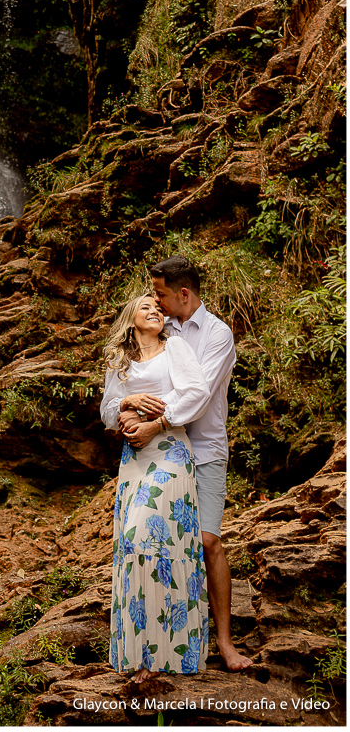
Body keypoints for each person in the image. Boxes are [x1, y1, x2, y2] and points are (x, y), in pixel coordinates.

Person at [119, 255, 253, 673]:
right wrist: (125, 410)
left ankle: (225, 643)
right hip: (158, 455)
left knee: (208, 540)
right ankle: (164, 644)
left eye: (159, 294)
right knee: (160, 543)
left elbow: (200, 396)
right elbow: (129, 382)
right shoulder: (159, 328)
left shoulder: (217, 335)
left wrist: (153, 422)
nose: (155, 302)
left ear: (182, 293)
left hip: (205, 448)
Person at [101, 295, 211, 682]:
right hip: (134, 460)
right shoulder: (119, 359)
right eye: (146, 305)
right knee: (132, 546)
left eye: (158, 307)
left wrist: (156, 418)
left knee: (151, 536)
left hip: (169, 451)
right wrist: (126, 402)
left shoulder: (174, 347)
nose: (155, 310)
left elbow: (196, 393)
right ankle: (145, 657)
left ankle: (171, 653)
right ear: (130, 317)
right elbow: (107, 411)